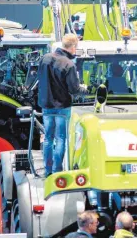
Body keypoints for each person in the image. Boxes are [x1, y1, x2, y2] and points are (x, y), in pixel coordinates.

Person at [38, 34, 88, 177]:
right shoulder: (68, 64)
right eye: (76, 47)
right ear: (72, 47)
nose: (75, 50)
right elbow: (74, 89)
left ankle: (47, 171)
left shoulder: (45, 58)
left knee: (48, 138)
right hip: (62, 106)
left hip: (46, 105)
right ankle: (57, 171)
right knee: (60, 138)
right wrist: (86, 89)